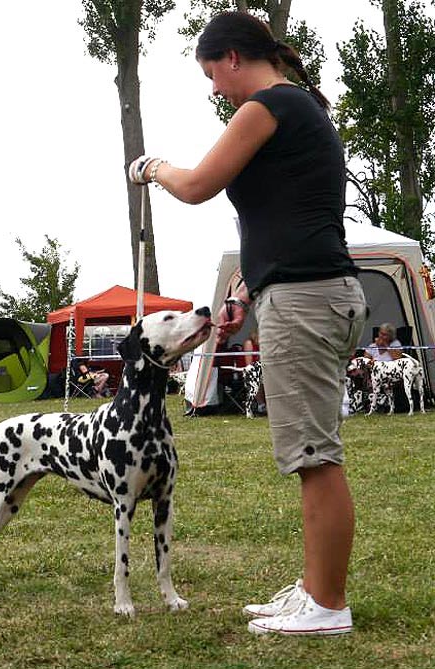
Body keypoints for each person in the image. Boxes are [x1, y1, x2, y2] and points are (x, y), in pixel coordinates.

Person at [128, 11, 367, 636]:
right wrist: (245, 289)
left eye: (212, 73)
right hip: (308, 292)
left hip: (306, 300)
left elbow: (197, 185)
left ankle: (328, 606)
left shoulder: (267, 107)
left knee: (315, 458)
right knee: (311, 453)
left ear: (233, 57)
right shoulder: (298, 109)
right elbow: (284, 218)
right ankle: (315, 589)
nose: (215, 88)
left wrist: (154, 168)